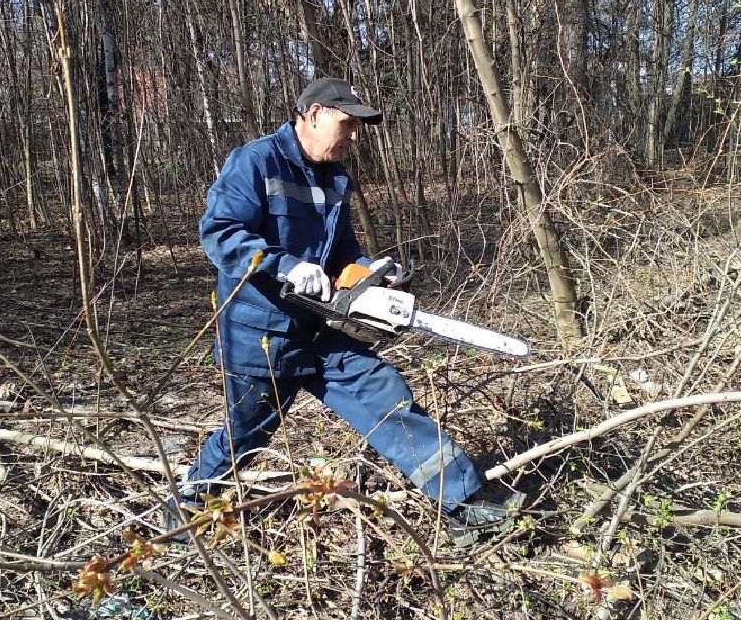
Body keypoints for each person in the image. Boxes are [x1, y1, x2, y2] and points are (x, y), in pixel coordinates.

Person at [166, 77, 519, 543]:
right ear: (313, 115)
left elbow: (342, 251)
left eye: (357, 126)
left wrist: (370, 271)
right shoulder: (255, 162)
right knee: (246, 432)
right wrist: (284, 265)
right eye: (347, 123)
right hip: (261, 332)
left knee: (384, 396)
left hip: (320, 326)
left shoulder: (335, 178)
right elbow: (221, 233)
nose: (354, 136)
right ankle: (188, 506)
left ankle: (463, 503)